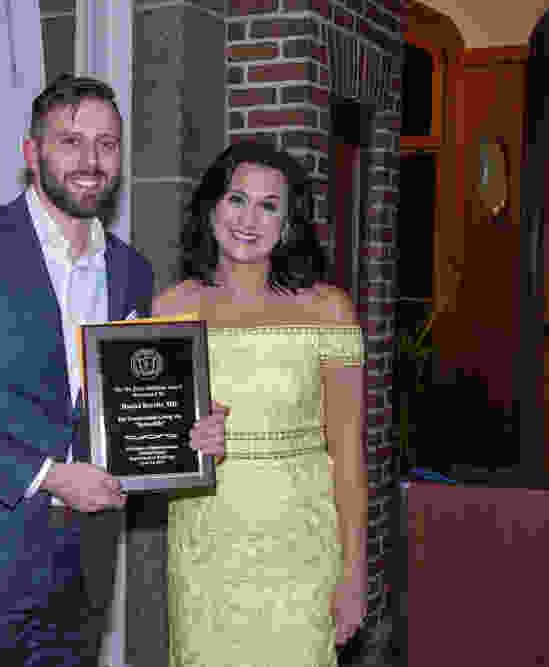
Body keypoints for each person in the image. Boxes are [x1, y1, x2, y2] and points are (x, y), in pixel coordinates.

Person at [0, 73, 228, 667]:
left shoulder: (131, 272)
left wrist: (187, 432)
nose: (91, 161)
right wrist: (46, 475)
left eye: (107, 144)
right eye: (71, 142)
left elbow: (121, 409)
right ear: (32, 151)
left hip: (78, 577)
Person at [153, 141, 368, 666]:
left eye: (269, 206)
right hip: (206, 555)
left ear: (289, 223)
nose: (249, 220)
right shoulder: (171, 308)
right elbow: (150, 444)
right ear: (211, 208)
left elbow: (348, 454)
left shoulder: (329, 310)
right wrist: (182, 443)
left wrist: (354, 573)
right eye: (236, 199)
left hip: (301, 557)